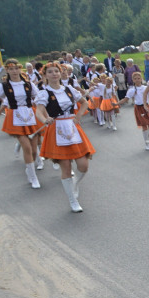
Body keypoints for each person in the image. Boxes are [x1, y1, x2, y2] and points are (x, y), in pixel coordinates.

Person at [34, 63, 95, 213]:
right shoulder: (43, 93)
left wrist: (79, 115)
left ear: (61, 73)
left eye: (56, 71)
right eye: (50, 72)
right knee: (66, 167)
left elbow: (84, 103)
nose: (54, 74)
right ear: (45, 75)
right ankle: (72, 200)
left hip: (73, 127)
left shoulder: (69, 89)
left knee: (83, 166)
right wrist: (44, 120)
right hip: (56, 129)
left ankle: (74, 185)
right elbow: (39, 112)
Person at [0, 58, 43, 188]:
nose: (14, 71)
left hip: (30, 115)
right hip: (16, 116)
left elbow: (39, 99)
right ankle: (33, 177)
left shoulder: (29, 84)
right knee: (26, 147)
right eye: (11, 69)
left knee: (33, 150)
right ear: (7, 70)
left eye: (16, 68)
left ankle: (29, 168)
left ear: (20, 69)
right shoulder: (3, 86)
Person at [124, 70, 149, 150]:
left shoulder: (145, 88)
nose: (137, 80)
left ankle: (146, 139)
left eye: (138, 78)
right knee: (144, 126)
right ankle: (147, 143)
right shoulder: (132, 90)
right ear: (133, 80)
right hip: (139, 108)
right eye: (135, 78)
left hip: (146, 107)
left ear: (141, 79)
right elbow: (126, 99)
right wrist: (117, 104)